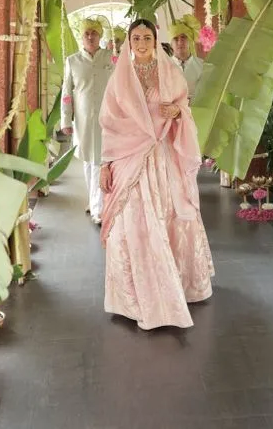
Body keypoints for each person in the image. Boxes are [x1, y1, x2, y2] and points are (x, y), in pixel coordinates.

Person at [99, 19, 214, 330]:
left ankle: (175, 287)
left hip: (162, 158)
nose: (141, 43)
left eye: (147, 37)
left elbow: (184, 107)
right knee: (130, 225)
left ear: (154, 39)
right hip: (128, 160)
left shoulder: (169, 73)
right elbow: (109, 124)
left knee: (168, 217)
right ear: (129, 41)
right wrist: (105, 164)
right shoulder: (119, 77)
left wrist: (177, 113)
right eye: (136, 37)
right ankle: (134, 298)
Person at [61, 17, 113, 225]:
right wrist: (65, 119)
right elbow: (66, 93)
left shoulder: (111, 58)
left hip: (107, 119)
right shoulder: (72, 61)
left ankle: (98, 209)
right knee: (88, 161)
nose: (90, 36)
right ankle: (94, 201)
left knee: (100, 161)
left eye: (94, 33)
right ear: (81, 37)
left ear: (100, 36)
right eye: (86, 33)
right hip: (82, 121)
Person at [169, 14, 204, 100]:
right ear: (171, 43)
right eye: (176, 38)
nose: (180, 42)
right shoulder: (163, 66)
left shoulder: (202, 66)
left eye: (184, 37)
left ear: (190, 40)